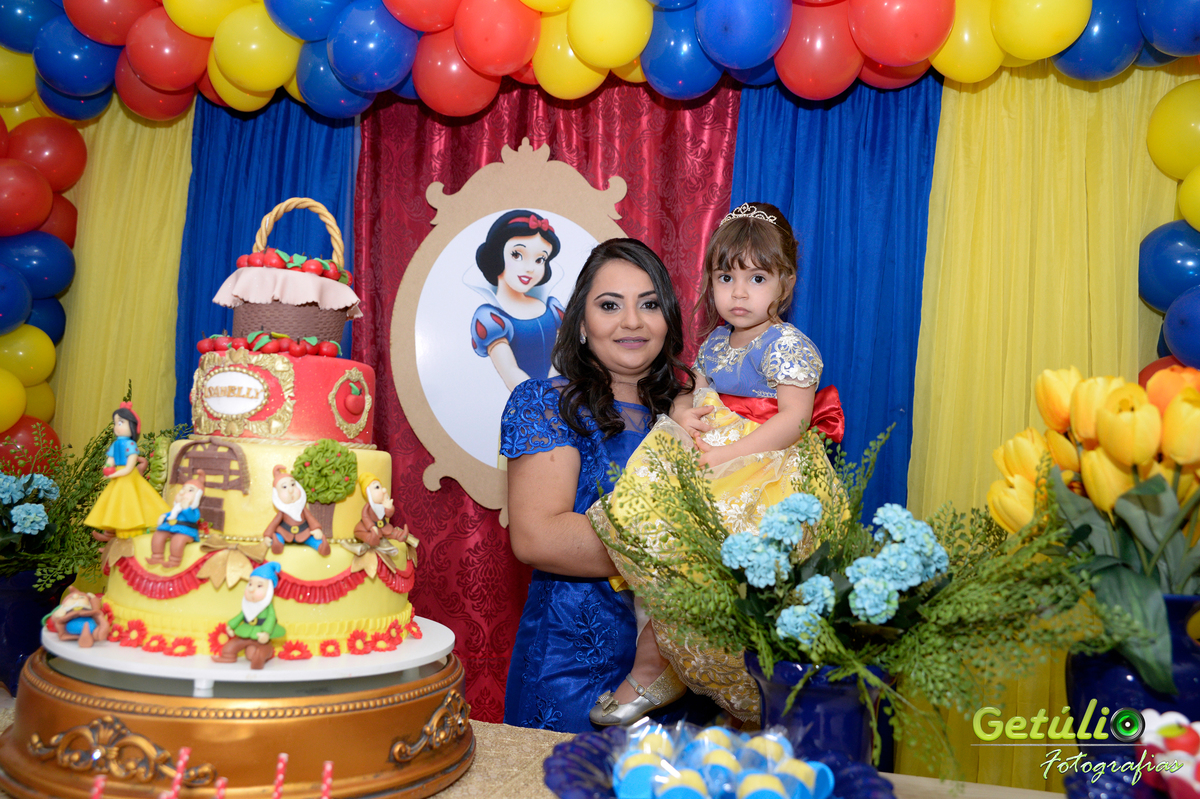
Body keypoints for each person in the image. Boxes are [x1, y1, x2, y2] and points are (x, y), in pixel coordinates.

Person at [588, 202, 844, 726]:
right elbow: (697, 393)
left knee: (745, 582)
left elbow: (795, 420)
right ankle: (660, 662)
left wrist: (727, 455)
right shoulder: (714, 343)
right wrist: (685, 411)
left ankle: (752, 694)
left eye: (757, 278)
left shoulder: (788, 345)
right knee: (666, 549)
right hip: (712, 456)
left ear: (786, 283)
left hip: (766, 469)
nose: (739, 293)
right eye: (727, 278)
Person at [500, 238, 696, 732]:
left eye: (649, 304)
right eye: (610, 305)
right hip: (574, 672)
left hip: (688, 674)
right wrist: (694, 556)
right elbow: (539, 536)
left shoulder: (694, 413)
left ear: (668, 320)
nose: (632, 321)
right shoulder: (547, 403)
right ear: (582, 325)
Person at [469, 210, 566, 391]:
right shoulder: (491, 318)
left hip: (563, 394)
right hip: (528, 400)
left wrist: (556, 388)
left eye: (540, 259)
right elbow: (510, 372)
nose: (530, 268)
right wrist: (542, 399)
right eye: (517, 255)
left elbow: (563, 354)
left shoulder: (552, 307)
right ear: (497, 255)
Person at [85, 402, 170, 542]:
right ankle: (111, 537)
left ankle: (129, 535)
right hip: (118, 477)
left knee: (130, 504)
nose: (116, 427)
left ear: (132, 426)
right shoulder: (116, 444)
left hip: (128, 478)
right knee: (113, 505)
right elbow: (110, 459)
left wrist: (114, 474)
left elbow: (130, 467)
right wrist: (107, 467)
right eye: (115, 423)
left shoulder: (131, 444)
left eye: (120, 423)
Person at [213, 561, 285, 669]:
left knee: (260, 651)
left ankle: (259, 660)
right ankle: (227, 656)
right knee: (230, 647)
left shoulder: (268, 607)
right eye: (250, 584)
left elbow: (271, 618)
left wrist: (266, 632)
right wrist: (231, 626)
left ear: (269, 590)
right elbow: (241, 615)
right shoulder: (248, 605)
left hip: (260, 634)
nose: (251, 589)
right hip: (246, 631)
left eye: (259, 585)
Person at [262, 466, 330, 556]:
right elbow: (274, 523)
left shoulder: (302, 507)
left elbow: (310, 518)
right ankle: (277, 544)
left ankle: (321, 547)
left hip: (303, 533)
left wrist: (316, 528)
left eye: (293, 485)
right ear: (276, 494)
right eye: (284, 487)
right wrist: (268, 535)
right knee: (278, 536)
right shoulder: (282, 511)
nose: (290, 490)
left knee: (313, 539)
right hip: (285, 532)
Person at [149, 469, 205, 568]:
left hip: (186, 531)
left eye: (190, 490)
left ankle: (174, 561)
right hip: (170, 528)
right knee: (158, 535)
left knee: (178, 540)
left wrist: (186, 509)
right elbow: (171, 514)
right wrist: (164, 516)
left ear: (197, 496)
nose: (183, 492)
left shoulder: (193, 510)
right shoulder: (176, 508)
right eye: (183, 488)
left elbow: (193, 519)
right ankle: (156, 557)